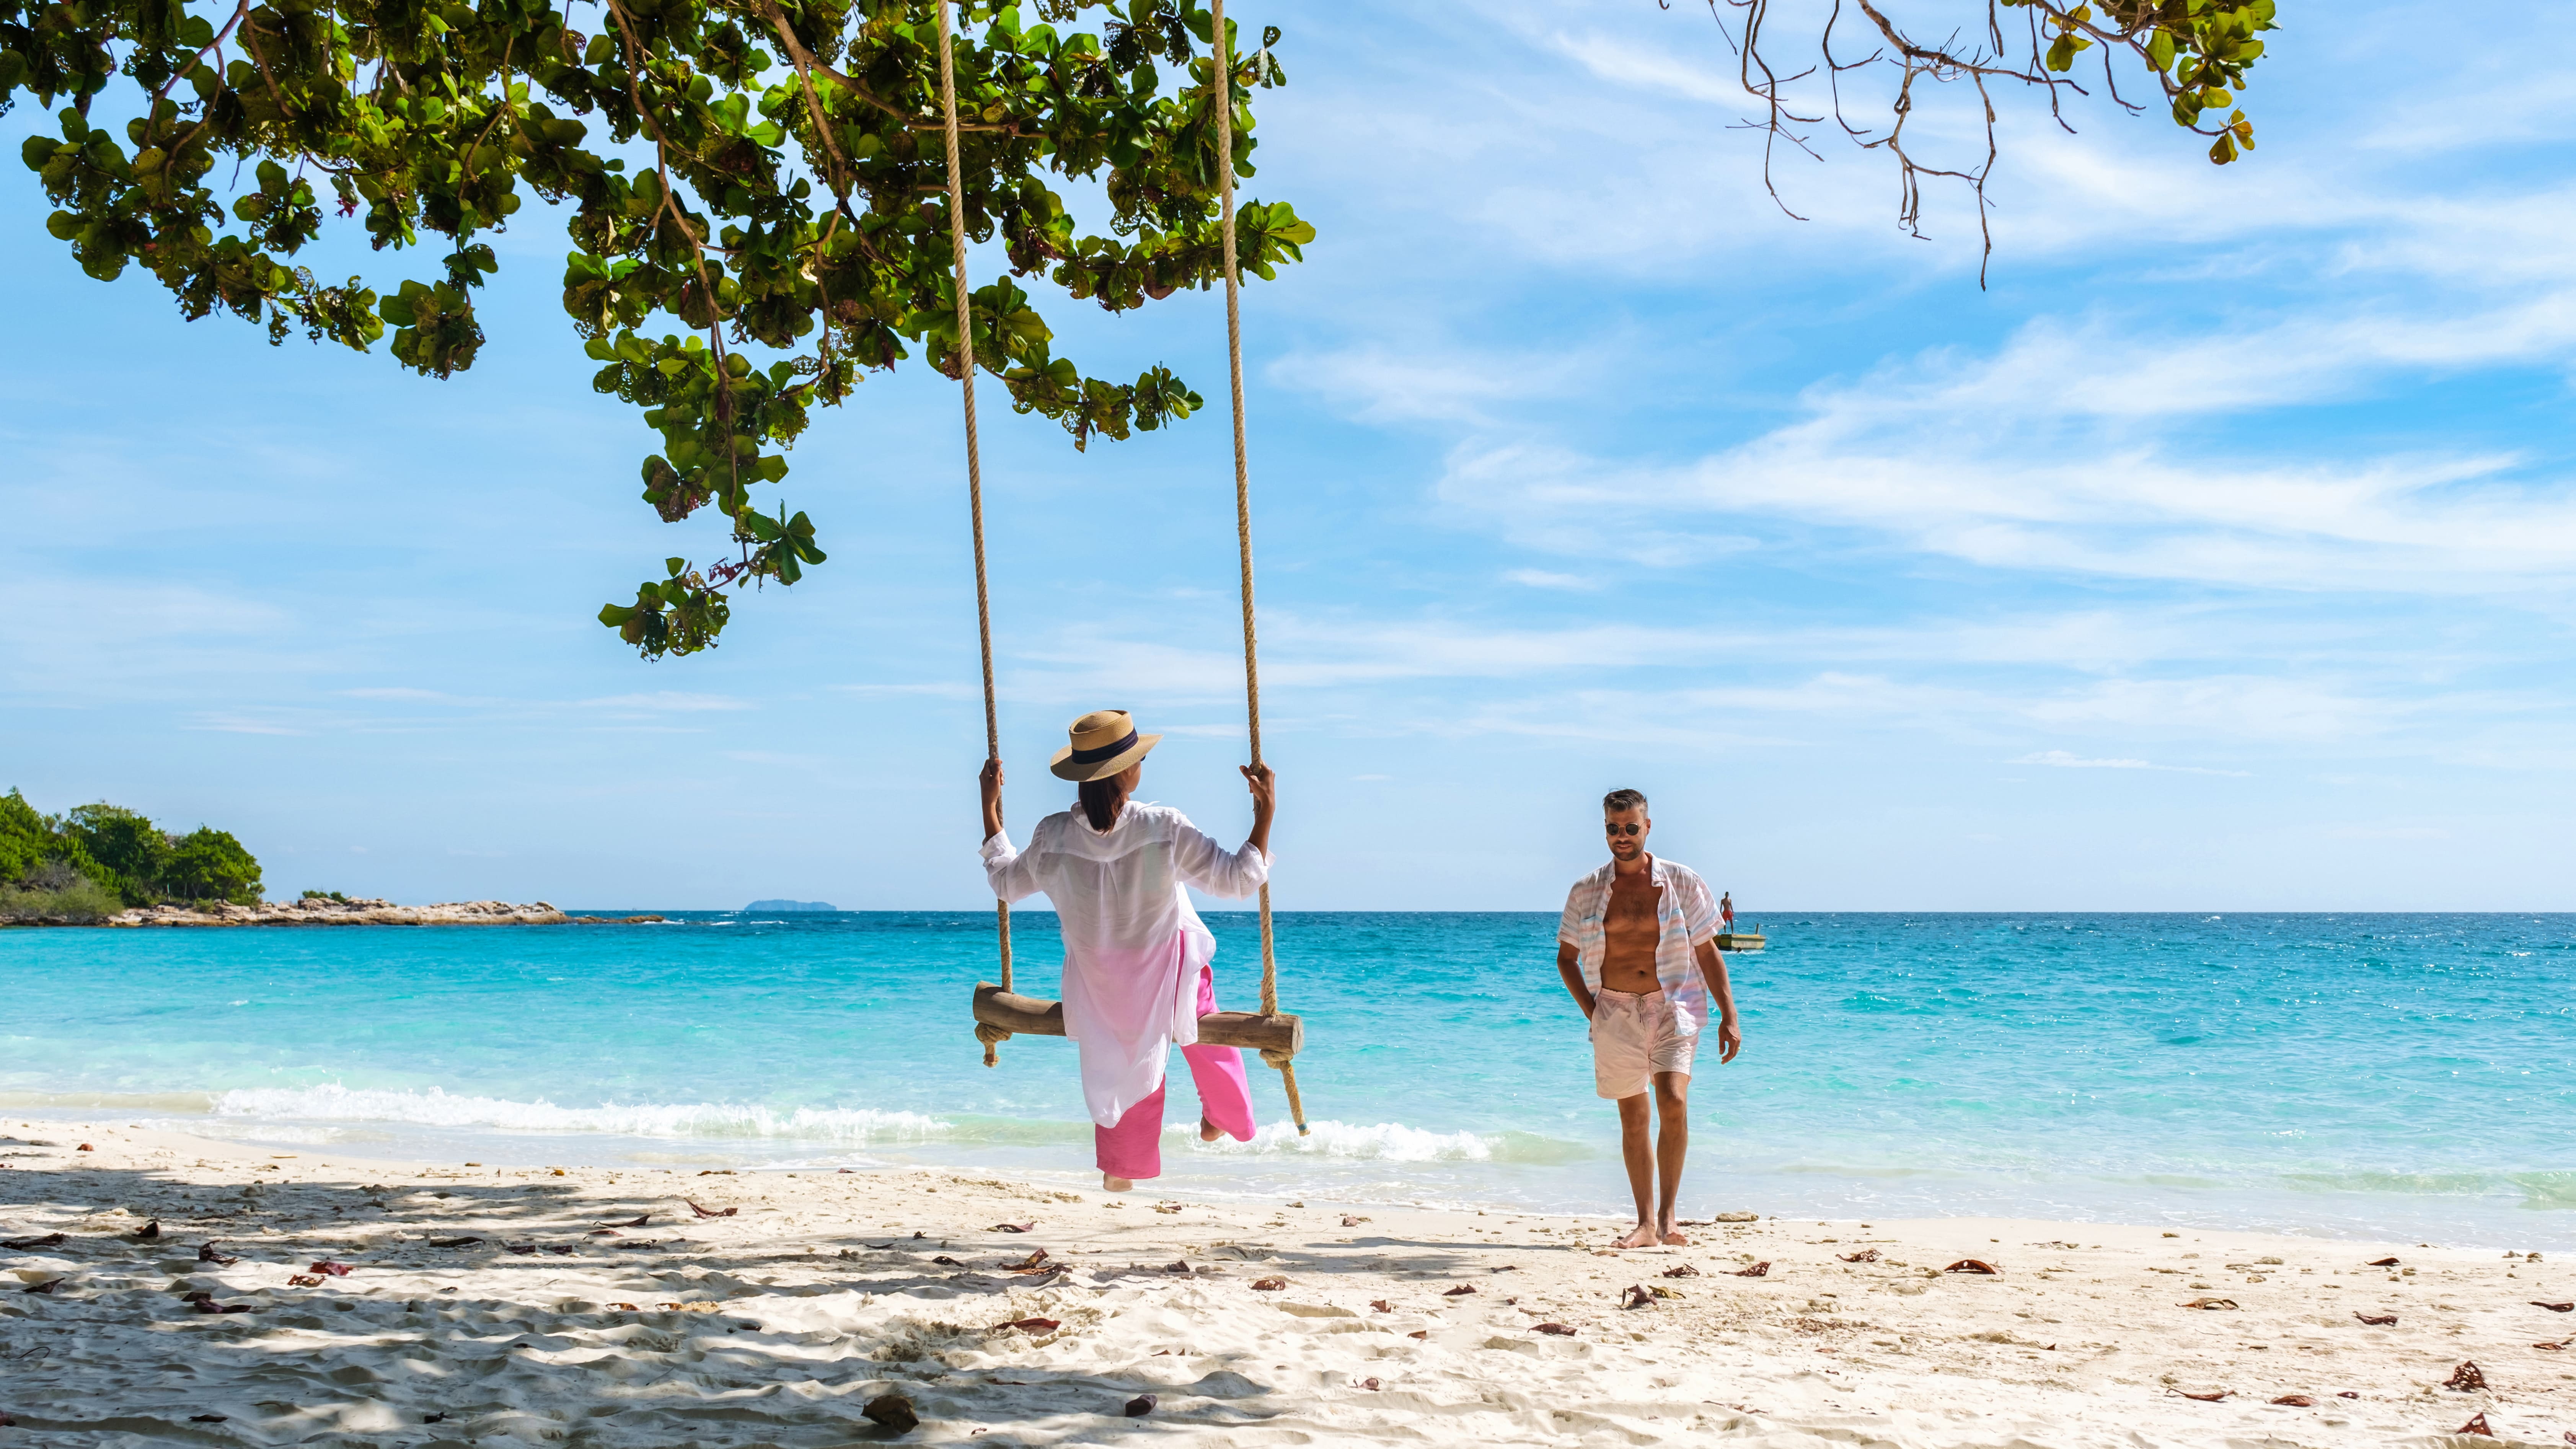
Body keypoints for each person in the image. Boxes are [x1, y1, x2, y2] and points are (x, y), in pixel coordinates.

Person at [978, 710, 1277, 1192]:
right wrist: (1265, 816)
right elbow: (1239, 879)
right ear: (1128, 772)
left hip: (1099, 980)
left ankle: (1123, 1164)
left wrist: (989, 807)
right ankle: (1224, 1115)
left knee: (1122, 1052)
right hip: (1166, 969)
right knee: (1200, 1011)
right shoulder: (1164, 828)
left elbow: (1005, 883)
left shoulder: (1053, 836)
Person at [1555, 787, 1743, 1248]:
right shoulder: (1586, 890)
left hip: (1674, 1004)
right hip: (1614, 1009)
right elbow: (1566, 958)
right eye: (1613, 828)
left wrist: (1729, 1016)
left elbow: (1708, 951)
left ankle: (1668, 1217)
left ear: (1648, 826)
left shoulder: (1682, 881)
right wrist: (1595, 1012)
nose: (1622, 836)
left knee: (1673, 1100)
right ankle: (1644, 1224)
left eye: (1630, 828)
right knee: (1634, 1118)